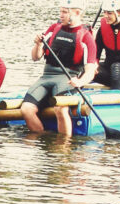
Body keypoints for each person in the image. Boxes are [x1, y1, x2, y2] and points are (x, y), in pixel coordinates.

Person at [20, 0, 97, 136]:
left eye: (65, 12)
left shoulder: (86, 37)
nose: (60, 15)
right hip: (46, 76)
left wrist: (79, 82)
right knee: (26, 109)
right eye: (60, 11)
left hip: (67, 78)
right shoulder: (53, 29)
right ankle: (42, 138)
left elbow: (90, 71)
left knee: (60, 109)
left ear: (77, 13)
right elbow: (35, 57)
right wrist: (38, 45)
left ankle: (63, 148)